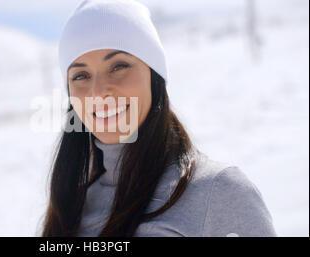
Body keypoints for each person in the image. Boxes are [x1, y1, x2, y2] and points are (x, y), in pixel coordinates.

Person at [41, 0, 277, 237]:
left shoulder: (218, 192)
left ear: (155, 76)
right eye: (80, 75)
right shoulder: (71, 206)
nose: (99, 92)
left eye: (119, 66)